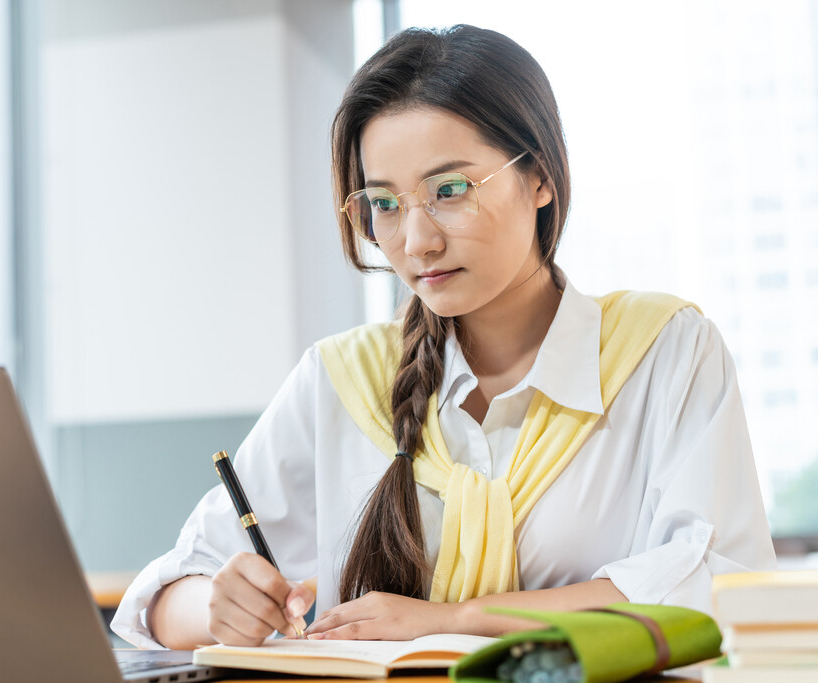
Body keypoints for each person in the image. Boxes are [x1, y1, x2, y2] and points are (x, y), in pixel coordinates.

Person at [111, 24, 776, 650]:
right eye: (384, 205)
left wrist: (455, 620)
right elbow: (164, 595)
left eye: (450, 189)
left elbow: (717, 585)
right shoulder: (346, 378)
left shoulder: (663, 351)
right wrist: (218, 606)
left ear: (540, 175)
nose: (417, 241)